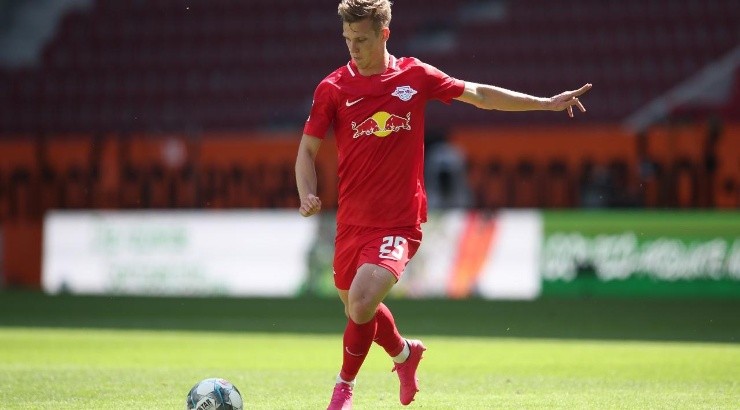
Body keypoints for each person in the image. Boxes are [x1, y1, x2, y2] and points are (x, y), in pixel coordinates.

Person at [294, 1, 592, 408]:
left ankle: (343, 388)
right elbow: (306, 151)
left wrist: (543, 103)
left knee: (362, 302)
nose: (353, 48)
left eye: (361, 40)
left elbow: (481, 96)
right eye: (347, 40)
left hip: (400, 221)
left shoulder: (415, 76)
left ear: (384, 34)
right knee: (355, 308)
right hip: (352, 223)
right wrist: (307, 193)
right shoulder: (332, 88)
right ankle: (404, 354)